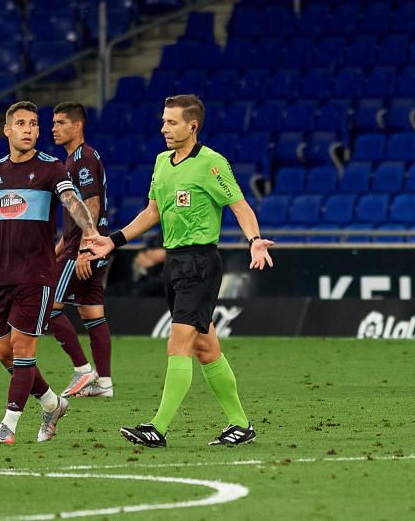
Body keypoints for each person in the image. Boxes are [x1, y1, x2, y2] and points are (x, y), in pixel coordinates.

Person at [83, 94, 275, 448]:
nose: (164, 128)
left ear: (192, 126)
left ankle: (158, 427)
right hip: (174, 264)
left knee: (179, 343)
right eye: (163, 121)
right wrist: (114, 240)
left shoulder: (211, 163)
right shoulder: (161, 162)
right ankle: (240, 424)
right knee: (206, 348)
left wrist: (255, 239)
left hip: (201, 263)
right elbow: (153, 212)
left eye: (171, 122)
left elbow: (240, 205)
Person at [0, 101, 99, 444]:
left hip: (38, 275)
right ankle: (51, 403)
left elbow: (73, 201)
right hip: (2, 276)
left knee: (24, 349)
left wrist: (88, 231)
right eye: (21, 123)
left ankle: (8, 425)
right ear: (7, 130)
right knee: (4, 353)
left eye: (33, 124)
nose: (28, 129)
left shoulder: (52, 168)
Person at [47, 102, 114, 399]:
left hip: (85, 248)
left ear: (77, 126)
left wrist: (86, 249)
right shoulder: (74, 160)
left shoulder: (83, 159)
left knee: (48, 308)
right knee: (92, 313)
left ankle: (83, 370)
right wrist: (59, 248)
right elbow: (76, 217)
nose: (54, 128)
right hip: (82, 245)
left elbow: (93, 204)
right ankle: (105, 384)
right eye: (53, 123)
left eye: (61, 122)